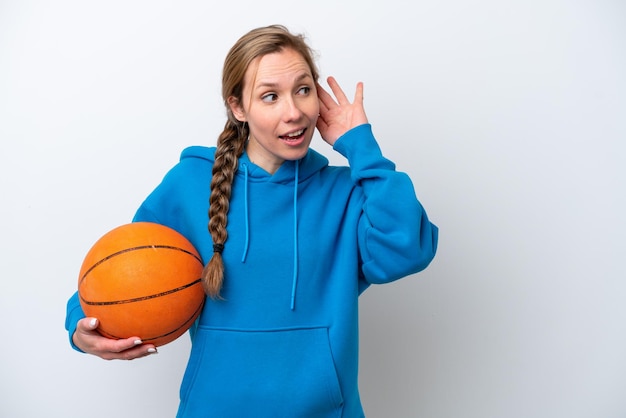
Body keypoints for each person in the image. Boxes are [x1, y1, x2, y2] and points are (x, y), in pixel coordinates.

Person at [65, 24, 438, 417]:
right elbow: (125, 269)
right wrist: (81, 324)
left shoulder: (346, 193)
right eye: (270, 96)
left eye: (303, 90)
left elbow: (407, 250)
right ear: (239, 107)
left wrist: (361, 145)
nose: (294, 112)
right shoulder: (191, 183)